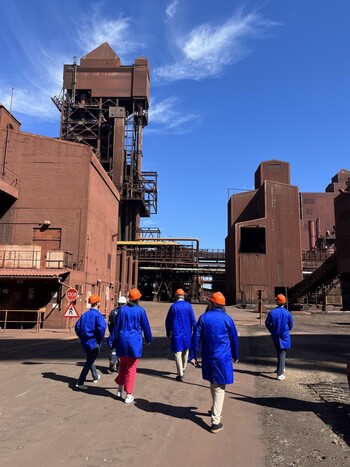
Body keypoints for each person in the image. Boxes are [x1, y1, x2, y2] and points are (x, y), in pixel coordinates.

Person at [191, 292, 239, 434]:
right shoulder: (227, 319)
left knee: (213, 382)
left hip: (208, 357)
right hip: (223, 358)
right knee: (220, 386)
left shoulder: (204, 318)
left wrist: (193, 355)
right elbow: (234, 338)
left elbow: (196, 338)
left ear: (212, 303)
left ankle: (214, 410)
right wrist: (236, 355)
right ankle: (216, 422)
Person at [108, 288, 152, 404]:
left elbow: (116, 327)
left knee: (123, 365)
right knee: (131, 368)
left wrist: (111, 340)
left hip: (122, 341)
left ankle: (119, 390)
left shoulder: (122, 310)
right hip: (134, 342)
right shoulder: (141, 311)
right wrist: (148, 339)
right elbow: (146, 327)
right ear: (138, 299)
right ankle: (129, 394)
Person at [75, 294, 106, 390]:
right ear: (97, 303)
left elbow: (77, 327)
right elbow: (102, 328)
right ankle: (80, 382)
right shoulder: (98, 316)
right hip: (94, 341)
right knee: (89, 361)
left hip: (85, 342)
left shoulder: (84, 315)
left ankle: (95, 376)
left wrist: (82, 337)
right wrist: (100, 339)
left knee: (90, 358)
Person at [165, 288, 196, 382]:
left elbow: (168, 321)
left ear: (176, 296)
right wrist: (196, 331)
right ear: (184, 296)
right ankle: (183, 368)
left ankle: (180, 374)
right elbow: (193, 320)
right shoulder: (189, 306)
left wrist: (168, 331)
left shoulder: (173, 307)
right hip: (187, 333)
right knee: (186, 351)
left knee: (177, 353)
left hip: (176, 332)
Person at [265, 294, 294, 381]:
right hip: (284, 335)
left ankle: (280, 368)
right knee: (282, 353)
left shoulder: (272, 312)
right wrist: (286, 330)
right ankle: (280, 373)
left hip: (275, 335)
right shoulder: (287, 313)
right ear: (284, 302)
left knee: (279, 351)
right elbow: (291, 325)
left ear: (276, 302)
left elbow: (267, 323)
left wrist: (272, 330)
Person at [107, 295, 127, 373]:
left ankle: (112, 359)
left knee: (114, 349)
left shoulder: (113, 311)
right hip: (123, 334)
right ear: (125, 303)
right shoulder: (126, 312)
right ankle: (119, 367)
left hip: (114, 334)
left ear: (118, 303)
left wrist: (111, 332)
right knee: (122, 351)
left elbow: (109, 324)